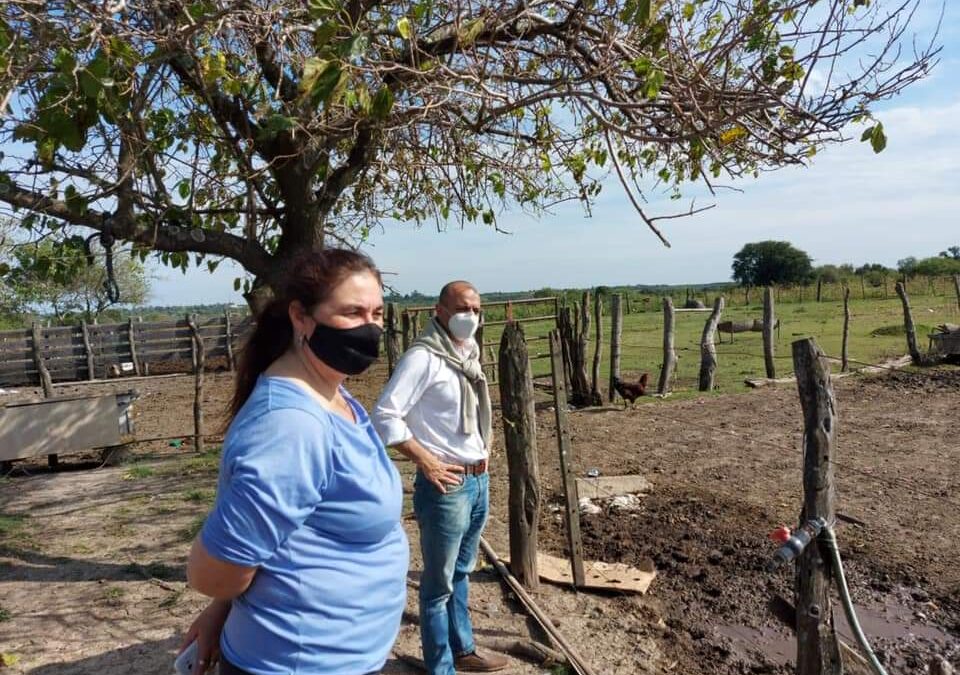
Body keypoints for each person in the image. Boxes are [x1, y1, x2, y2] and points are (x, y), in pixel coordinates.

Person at [180, 249, 408, 675]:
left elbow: (278, 533)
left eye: (377, 312)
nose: (371, 327)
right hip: (301, 662)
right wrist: (224, 595)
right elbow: (214, 573)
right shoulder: (290, 427)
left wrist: (223, 609)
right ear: (301, 317)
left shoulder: (330, 392)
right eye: (353, 312)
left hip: (333, 655)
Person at [372, 281, 508, 675]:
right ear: (441, 311)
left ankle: (463, 649)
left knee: (462, 571)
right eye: (463, 308)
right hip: (446, 486)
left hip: (477, 480)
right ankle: (440, 668)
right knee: (437, 587)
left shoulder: (468, 354)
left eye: (477, 310)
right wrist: (427, 462)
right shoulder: (424, 358)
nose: (472, 316)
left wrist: (486, 446)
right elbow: (384, 416)